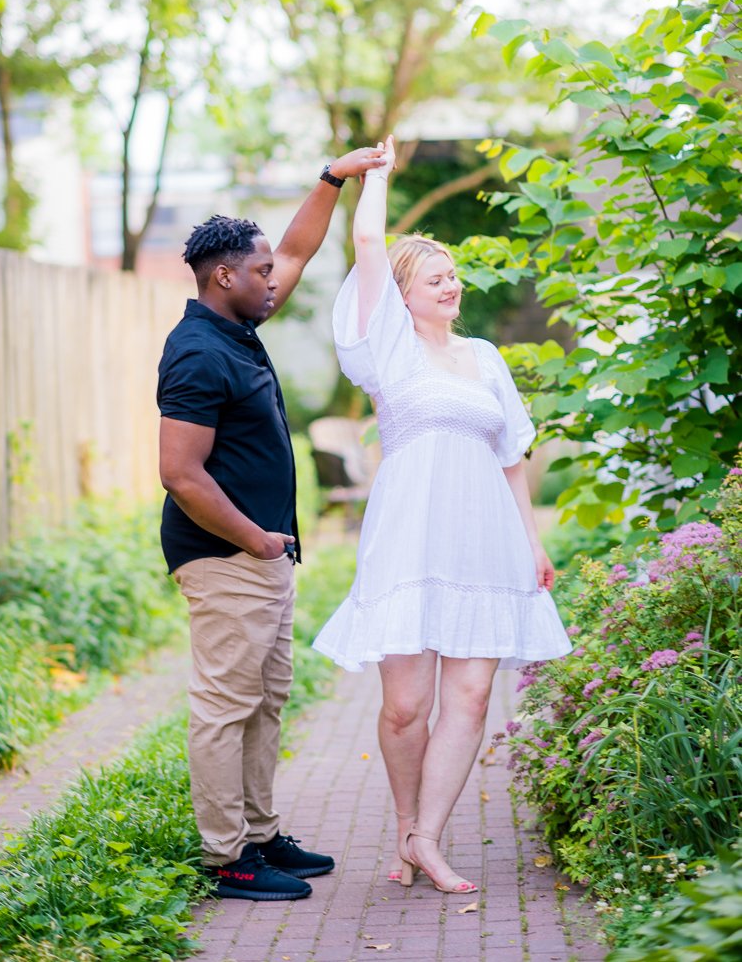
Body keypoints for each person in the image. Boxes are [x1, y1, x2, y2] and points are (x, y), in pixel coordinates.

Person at [313, 135, 572, 894]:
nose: (451, 285)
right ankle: (405, 825)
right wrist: (377, 177)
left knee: (470, 696)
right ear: (401, 294)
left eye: (454, 275)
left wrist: (532, 543)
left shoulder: (487, 357)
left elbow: (511, 456)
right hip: (410, 537)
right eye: (435, 277)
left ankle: (427, 838)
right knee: (405, 707)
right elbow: (367, 239)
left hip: (487, 538)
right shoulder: (386, 348)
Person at [157, 144, 388, 901]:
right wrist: (253, 538)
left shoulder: (237, 325)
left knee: (266, 698)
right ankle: (228, 858)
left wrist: (333, 178)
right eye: (259, 274)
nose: (275, 280)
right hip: (227, 556)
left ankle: (259, 834)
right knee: (226, 707)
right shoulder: (196, 352)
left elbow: (293, 247)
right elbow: (180, 473)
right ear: (225, 276)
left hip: (261, 556)